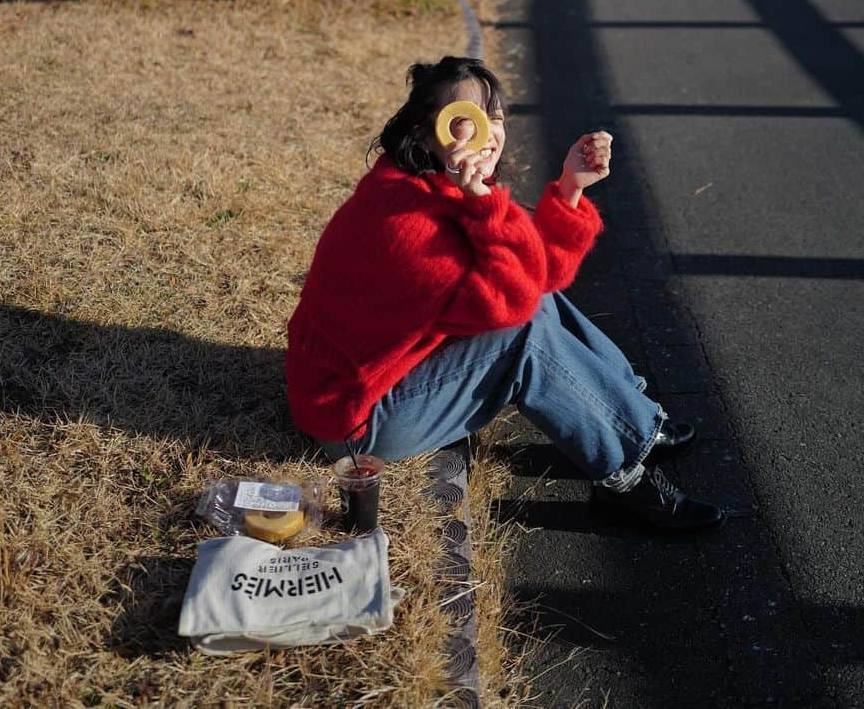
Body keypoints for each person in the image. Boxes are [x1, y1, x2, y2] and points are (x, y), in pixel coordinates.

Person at [285, 55, 723, 531]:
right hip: (359, 420)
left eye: (494, 118)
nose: (487, 133)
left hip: (382, 377)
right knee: (525, 333)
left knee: (535, 299)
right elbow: (513, 305)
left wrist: (570, 188)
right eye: (464, 121)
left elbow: (538, 275)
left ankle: (630, 414)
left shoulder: (433, 185)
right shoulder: (408, 224)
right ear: (426, 132)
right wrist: (486, 205)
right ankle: (623, 480)